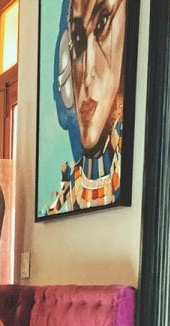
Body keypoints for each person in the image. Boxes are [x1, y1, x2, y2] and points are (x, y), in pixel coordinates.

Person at [46, 0, 129, 214]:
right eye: (78, 39)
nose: (87, 76)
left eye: (102, 22)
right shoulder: (72, 180)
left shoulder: (124, 168)